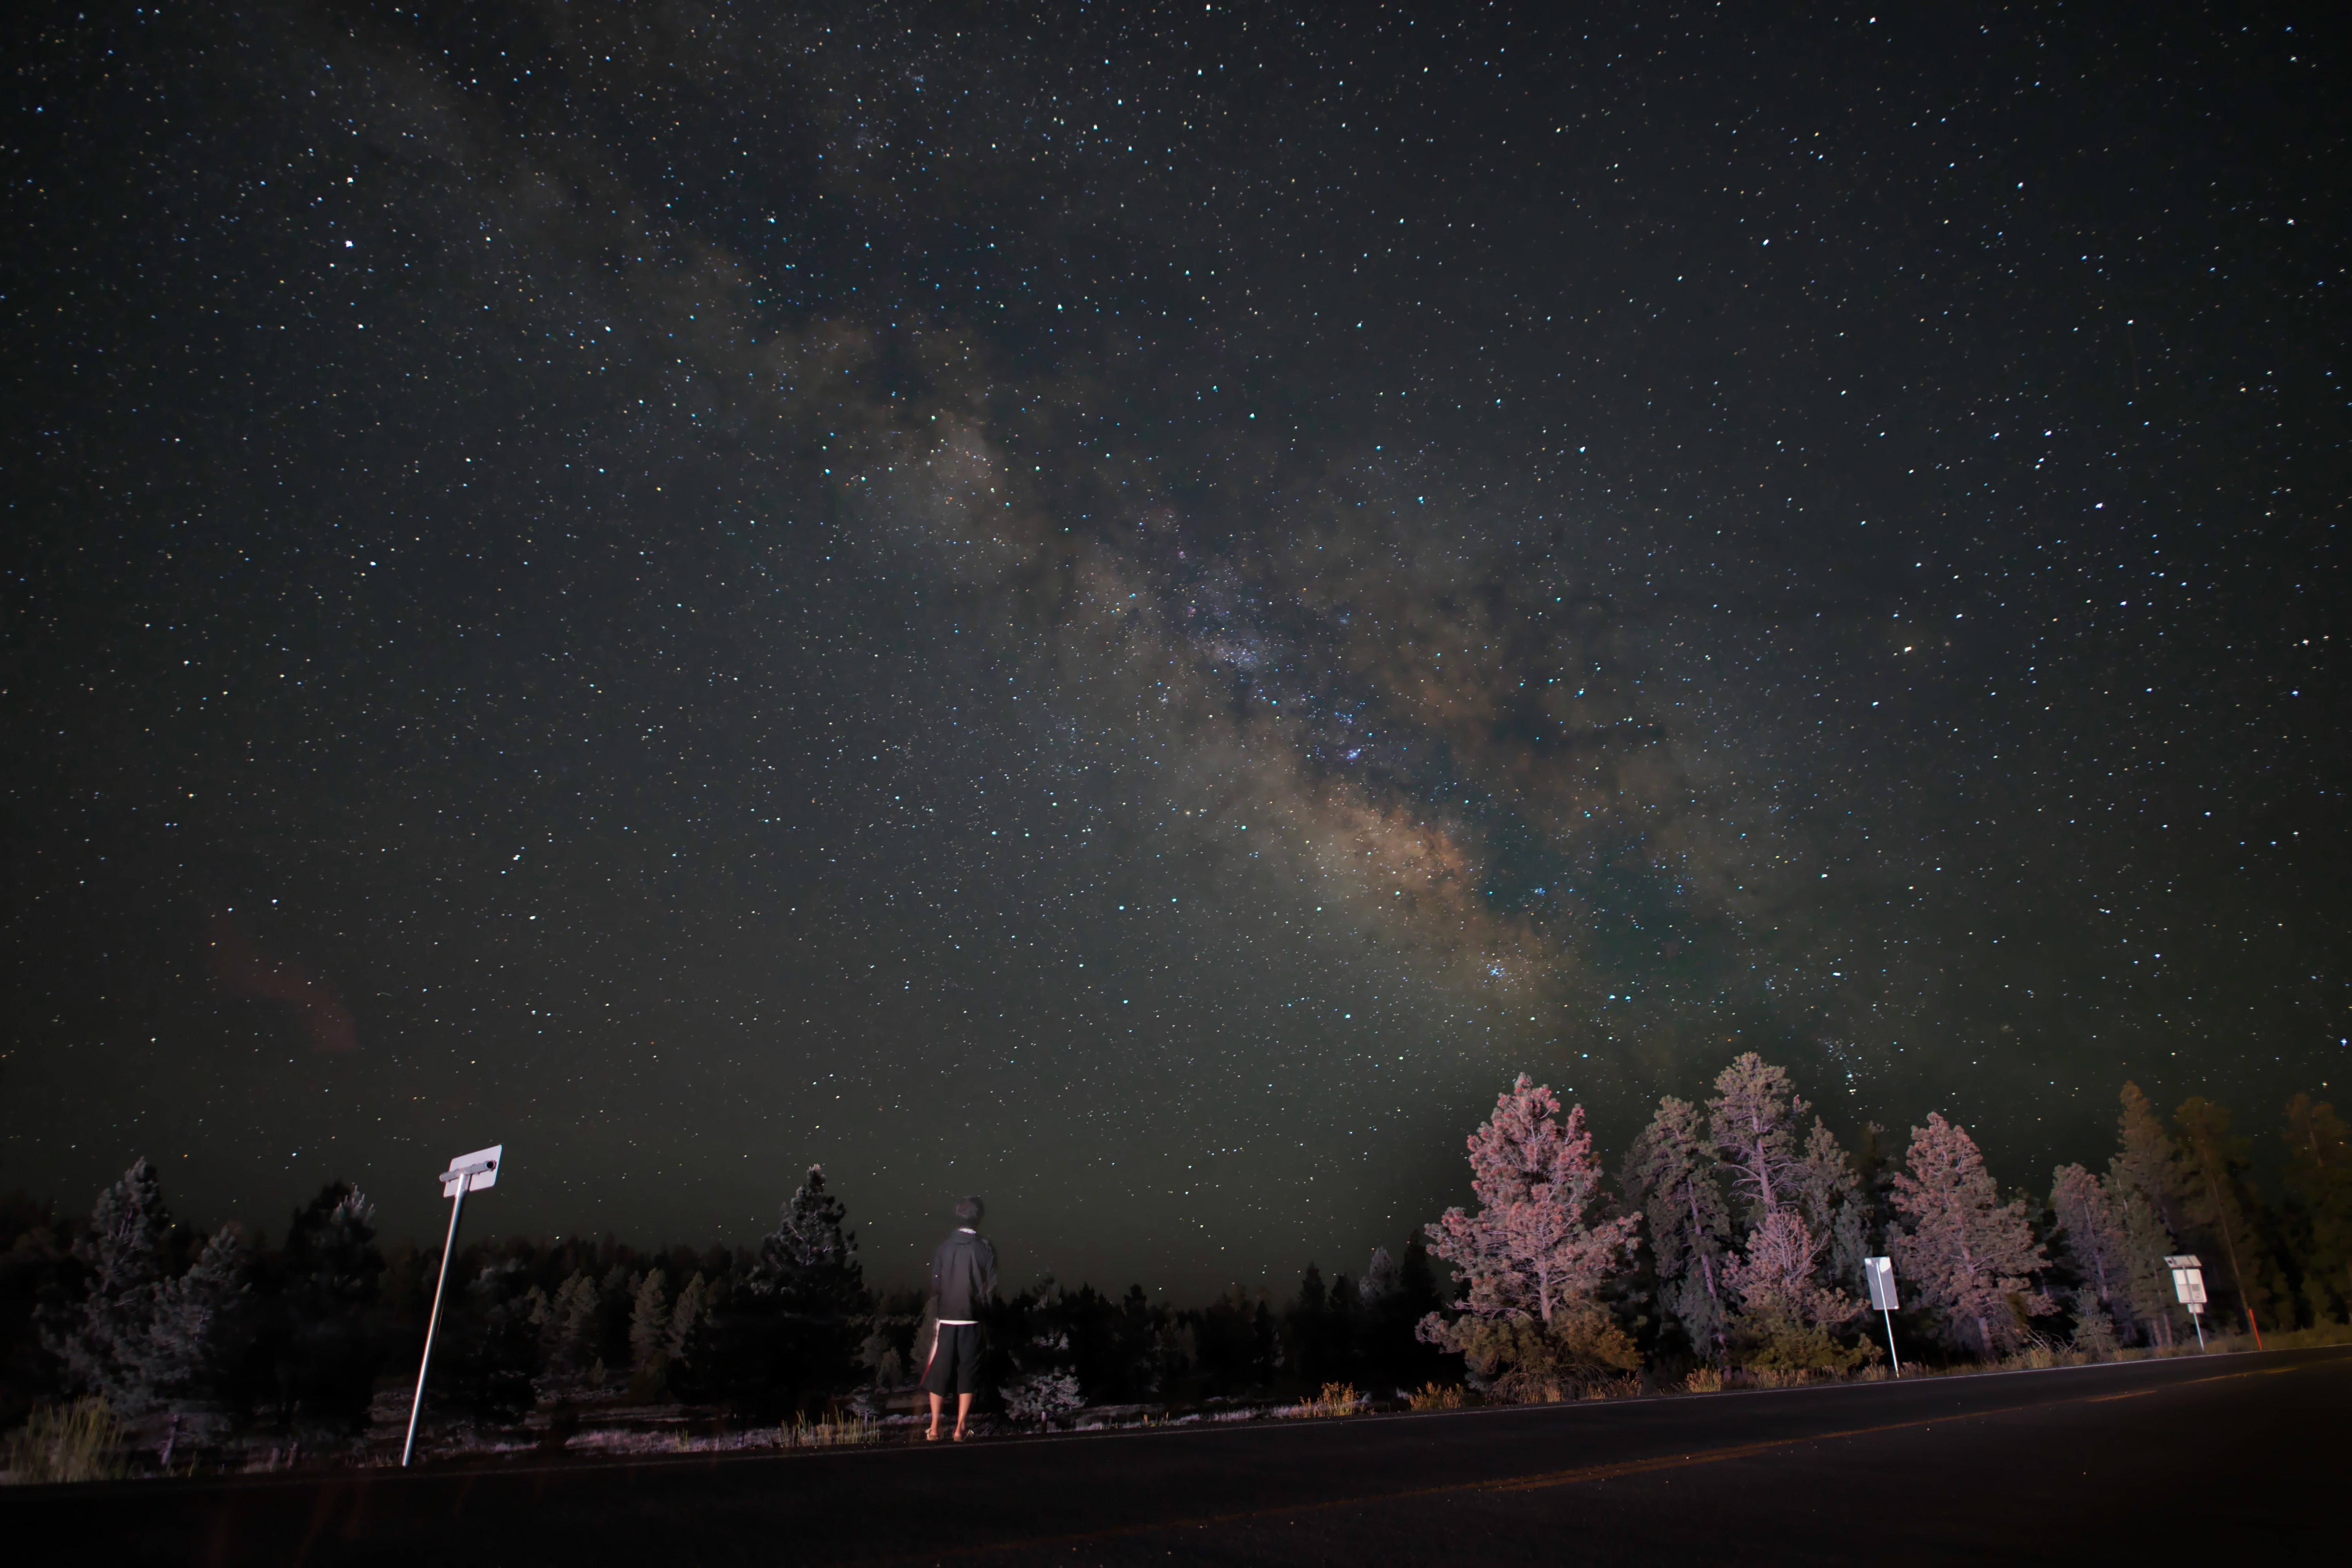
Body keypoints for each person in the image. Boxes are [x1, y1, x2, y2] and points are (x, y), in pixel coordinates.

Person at [921, 1196, 996, 1441]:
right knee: (968, 1372)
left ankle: (934, 1428)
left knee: (939, 1371)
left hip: (946, 1318)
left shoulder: (944, 1247)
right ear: (980, 1218)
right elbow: (991, 1287)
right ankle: (960, 1428)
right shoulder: (985, 1247)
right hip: (973, 1319)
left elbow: (936, 1284)